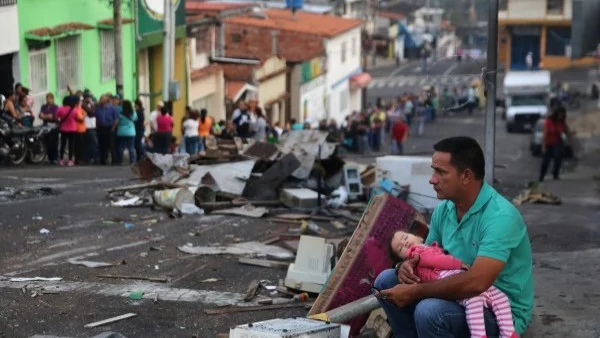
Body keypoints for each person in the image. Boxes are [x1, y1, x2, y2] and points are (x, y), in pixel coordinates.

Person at [374, 136, 533, 338]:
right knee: (386, 280)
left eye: (440, 172)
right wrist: (405, 267)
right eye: (433, 170)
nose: (432, 179)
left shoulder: (501, 217)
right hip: (459, 295)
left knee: (429, 311)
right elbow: (427, 256)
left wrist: (415, 292)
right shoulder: (444, 210)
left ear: (466, 176)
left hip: (497, 309)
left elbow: (477, 283)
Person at [386, 230, 518, 338]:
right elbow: (437, 261)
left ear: (419, 236)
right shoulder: (418, 252)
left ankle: (509, 333)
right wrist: (459, 264)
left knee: (499, 296)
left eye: (405, 237)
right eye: (401, 248)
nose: (405, 243)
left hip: (467, 281)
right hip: (447, 278)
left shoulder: (427, 247)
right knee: (473, 300)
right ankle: (479, 335)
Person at [539, 105, 569, 182]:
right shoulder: (549, 121)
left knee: (558, 158)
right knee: (546, 161)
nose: (561, 116)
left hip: (557, 142)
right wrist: (544, 146)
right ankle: (541, 176)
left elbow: (566, 131)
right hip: (548, 142)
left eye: (562, 115)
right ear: (556, 114)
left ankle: (555, 174)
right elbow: (545, 135)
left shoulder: (562, 122)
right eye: (560, 115)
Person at [95, 94, 120, 165]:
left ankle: (114, 160)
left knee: (112, 145)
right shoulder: (98, 108)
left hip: (110, 128)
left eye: (101, 99)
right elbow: (96, 118)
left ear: (106, 101)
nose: (100, 101)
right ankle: (102, 160)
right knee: (101, 145)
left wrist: (113, 128)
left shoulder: (112, 108)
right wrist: (97, 127)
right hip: (100, 128)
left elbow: (116, 119)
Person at [56, 96, 80, 166]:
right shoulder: (74, 110)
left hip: (63, 129)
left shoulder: (60, 109)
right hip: (72, 129)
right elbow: (77, 117)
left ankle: (61, 159)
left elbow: (56, 117)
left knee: (62, 145)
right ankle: (70, 160)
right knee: (71, 145)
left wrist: (60, 120)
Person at [39, 93, 60, 164]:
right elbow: (41, 115)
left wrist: (45, 116)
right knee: (46, 142)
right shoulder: (43, 106)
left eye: (50, 98)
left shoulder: (56, 107)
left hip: (54, 127)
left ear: (53, 99)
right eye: (47, 98)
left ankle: (55, 158)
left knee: (54, 142)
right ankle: (49, 157)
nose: (48, 100)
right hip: (45, 126)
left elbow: (52, 116)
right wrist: (46, 116)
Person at [116, 100, 138, 165]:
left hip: (122, 132)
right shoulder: (133, 113)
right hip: (131, 132)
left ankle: (120, 160)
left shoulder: (120, 114)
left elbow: (117, 121)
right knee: (131, 147)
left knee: (121, 146)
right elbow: (135, 119)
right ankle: (132, 161)